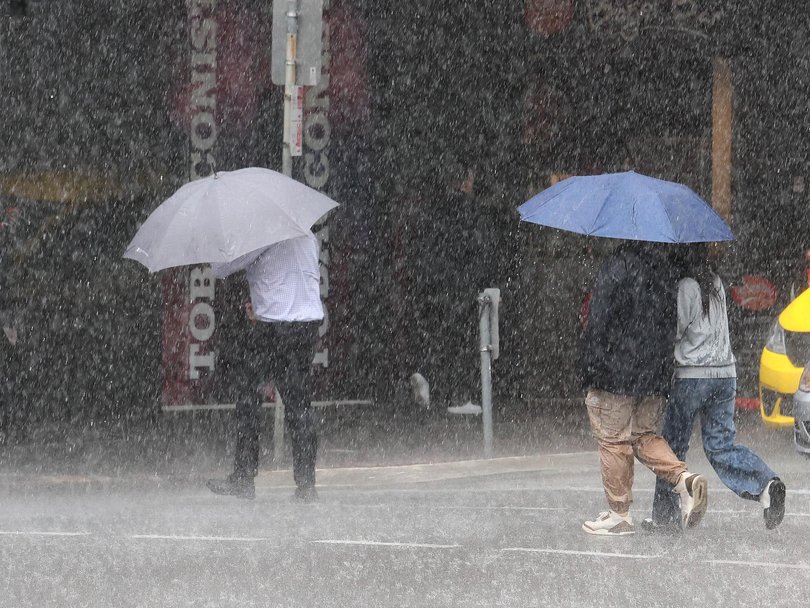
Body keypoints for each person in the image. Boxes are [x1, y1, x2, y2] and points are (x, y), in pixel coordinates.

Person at [645, 244, 786, 532]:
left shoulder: (686, 286)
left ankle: (665, 517)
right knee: (721, 445)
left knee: (673, 447)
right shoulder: (716, 282)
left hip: (692, 376)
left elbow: (675, 332)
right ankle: (765, 484)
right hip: (725, 375)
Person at [580, 240, 708, 536]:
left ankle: (619, 514)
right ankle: (684, 479)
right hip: (654, 373)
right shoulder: (665, 268)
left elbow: (599, 318)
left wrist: (591, 362)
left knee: (613, 440)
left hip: (616, 370)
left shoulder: (618, 264)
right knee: (643, 435)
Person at [206, 232, 323, 502]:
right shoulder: (309, 237)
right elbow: (290, 280)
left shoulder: (261, 235)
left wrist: (213, 244)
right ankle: (306, 485)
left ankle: (244, 476)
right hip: (306, 326)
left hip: (273, 327)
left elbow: (222, 268)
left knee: (248, 398)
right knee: (300, 404)